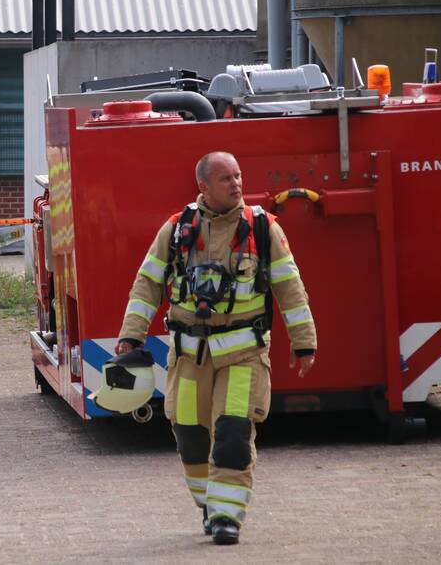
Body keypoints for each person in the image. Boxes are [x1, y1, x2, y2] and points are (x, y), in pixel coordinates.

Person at [115, 151, 316, 545]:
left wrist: (304, 341)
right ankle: (209, 503)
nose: (237, 184)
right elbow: (147, 284)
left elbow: (290, 289)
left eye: (239, 175)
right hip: (190, 355)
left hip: (244, 355)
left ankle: (227, 516)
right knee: (190, 434)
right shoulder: (176, 229)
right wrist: (131, 334)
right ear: (203, 187)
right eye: (226, 179)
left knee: (233, 433)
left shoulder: (263, 228)